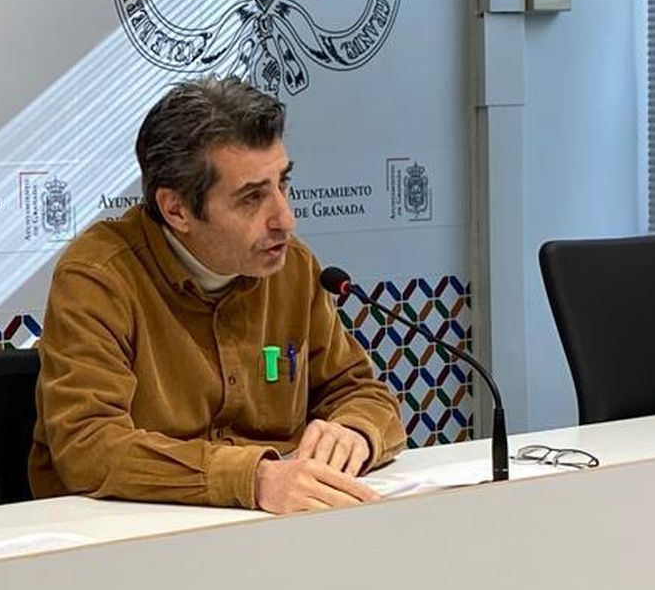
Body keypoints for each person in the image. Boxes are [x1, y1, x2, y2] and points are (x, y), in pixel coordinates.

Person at [29, 75, 405, 514]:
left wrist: (354, 431)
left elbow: (363, 393)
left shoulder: (294, 268)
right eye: (252, 198)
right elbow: (87, 446)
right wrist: (253, 477)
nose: (285, 218)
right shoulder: (99, 277)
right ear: (177, 209)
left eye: (283, 184)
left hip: (275, 533)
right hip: (125, 545)